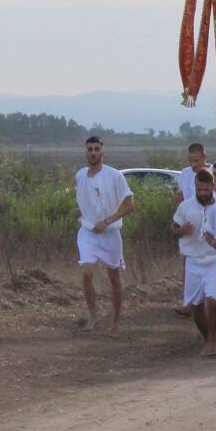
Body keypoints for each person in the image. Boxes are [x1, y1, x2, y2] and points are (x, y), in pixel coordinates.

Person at [72, 136, 134, 338]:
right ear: (85, 152)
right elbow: (86, 200)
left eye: (96, 149)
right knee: (87, 272)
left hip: (110, 233)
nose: (92, 152)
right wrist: (79, 211)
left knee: (114, 277)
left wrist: (107, 221)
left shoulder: (115, 176)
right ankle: (92, 316)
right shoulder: (80, 175)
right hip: (88, 232)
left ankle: (116, 321)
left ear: (103, 152)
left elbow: (129, 205)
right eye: (89, 149)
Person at [173, 169, 216, 356]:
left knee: (213, 300)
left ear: (213, 187)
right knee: (197, 305)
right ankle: (207, 338)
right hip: (193, 261)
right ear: (195, 187)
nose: (203, 194)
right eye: (199, 190)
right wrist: (181, 230)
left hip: (215, 260)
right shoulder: (185, 206)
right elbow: (173, 228)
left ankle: (212, 341)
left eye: (206, 190)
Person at [173, 143, 211, 317]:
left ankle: (215, 301)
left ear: (205, 157)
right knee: (187, 262)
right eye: (190, 160)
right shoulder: (185, 174)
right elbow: (181, 196)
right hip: (189, 225)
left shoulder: (213, 173)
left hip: (210, 221)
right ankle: (189, 302)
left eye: (196, 160)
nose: (193, 165)